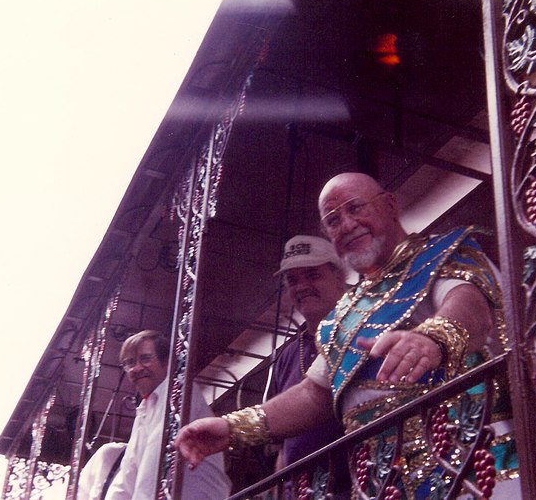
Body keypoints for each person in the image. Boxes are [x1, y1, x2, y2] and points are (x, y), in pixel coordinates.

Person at [175, 172, 513, 499]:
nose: (347, 225)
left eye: (355, 207)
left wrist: (435, 337)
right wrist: (233, 428)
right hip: (385, 484)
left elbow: (469, 305)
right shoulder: (342, 316)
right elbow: (312, 395)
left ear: (390, 205)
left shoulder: (442, 254)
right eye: (333, 220)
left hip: (470, 462)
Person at [268, 235, 350, 496]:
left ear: (339, 276)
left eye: (312, 275)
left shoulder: (361, 328)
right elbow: (286, 445)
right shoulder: (287, 357)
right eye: (293, 280)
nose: (302, 286)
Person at [106, 330, 231, 500]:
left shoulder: (179, 392)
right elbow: (127, 476)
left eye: (145, 358)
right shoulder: (145, 408)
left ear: (166, 363)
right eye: (129, 363)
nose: (136, 368)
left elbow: (153, 470)